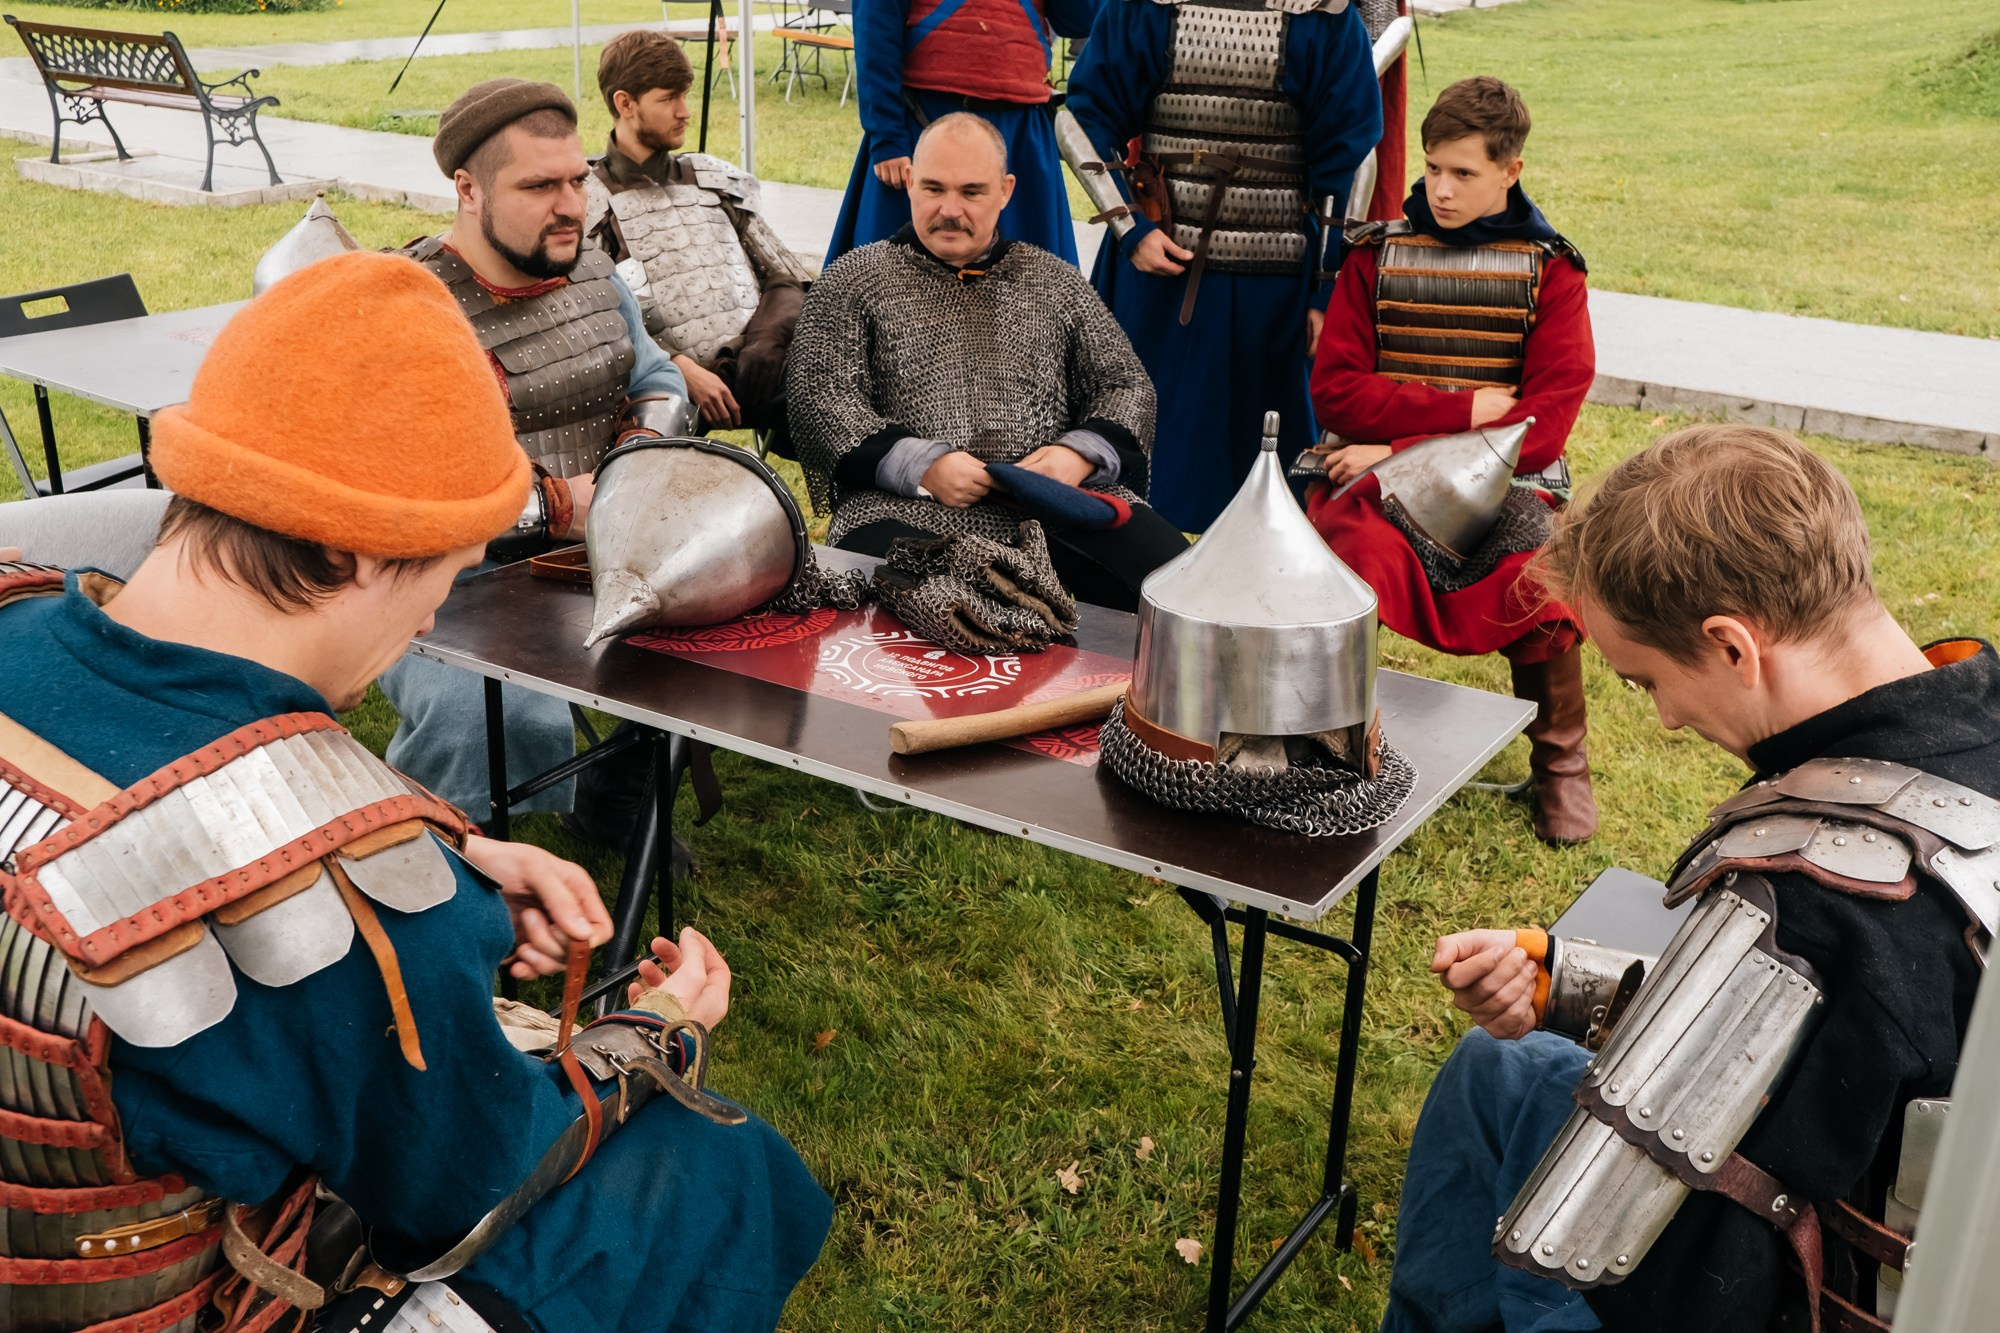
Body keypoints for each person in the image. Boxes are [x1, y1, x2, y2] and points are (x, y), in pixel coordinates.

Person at [0, 251, 828, 1333]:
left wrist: (457, 849)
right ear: (352, 547)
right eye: (438, 574)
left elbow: (160, 772)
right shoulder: (340, 901)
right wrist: (655, 1029)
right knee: (710, 1168)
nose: (431, 620)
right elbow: (465, 1191)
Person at [1383, 425, 1992, 1333]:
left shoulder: (1821, 892)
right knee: (1498, 1068)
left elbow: (1677, 1281)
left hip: (1807, 1288)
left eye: (1646, 681)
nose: (1666, 718)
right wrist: (1567, 982)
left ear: (1733, 645)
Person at [387, 77, 690, 839]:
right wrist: (558, 504)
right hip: (440, 577)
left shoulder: (590, 269)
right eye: (538, 185)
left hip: (594, 549)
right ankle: (450, 868)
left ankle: (619, 789)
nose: (570, 205)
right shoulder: (410, 305)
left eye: (577, 180)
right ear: (467, 189)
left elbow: (656, 380)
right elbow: (398, 487)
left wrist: (631, 463)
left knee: (738, 623)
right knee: (479, 713)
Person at [1305, 77, 1598, 843]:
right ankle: (1327, 750)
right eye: (1433, 167)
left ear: (1511, 170)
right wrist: (1462, 409)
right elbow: (1335, 393)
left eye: (1463, 173)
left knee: (1543, 583)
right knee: (1350, 564)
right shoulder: (1376, 258)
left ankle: (1561, 768)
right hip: (1368, 481)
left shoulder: (1552, 273)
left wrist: (1396, 443)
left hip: (1504, 487)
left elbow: (1540, 430)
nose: (1439, 188)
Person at [789, 113, 1188, 613]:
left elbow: (1125, 385)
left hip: (1050, 504)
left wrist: (1077, 455)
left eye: (971, 192)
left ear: (1005, 191)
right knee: (930, 611)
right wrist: (923, 465)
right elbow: (822, 398)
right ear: (909, 181)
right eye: (933, 188)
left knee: (1174, 586)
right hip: (902, 508)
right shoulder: (854, 281)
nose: (949, 210)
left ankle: (1122, 693)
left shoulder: (1053, 282)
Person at [1061, 0, 1382, 532]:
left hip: (1275, 286)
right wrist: (1129, 227)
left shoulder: (1321, 15)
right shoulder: (1146, 9)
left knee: (1275, 487)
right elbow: (1084, 118)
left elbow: (1350, 158)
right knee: (1133, 471)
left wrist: (1327, 292)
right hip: (1160, 272)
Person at [584, 29, 814, 434]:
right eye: (668, 98)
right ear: (625, 103)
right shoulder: (590, 198)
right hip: (659, 384)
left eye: (686, 96)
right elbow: (593, 316)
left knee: (848, 431)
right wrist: (676, 366)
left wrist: (765, 344)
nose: (684, 111)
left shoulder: (712, 179)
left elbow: (787, 276)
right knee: (644, 472)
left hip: (761, 369)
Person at [826, 0, 1096, 264]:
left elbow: (1078, 19)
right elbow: (876, 26)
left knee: (1030, 288)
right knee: (887, 279)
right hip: (923, 122)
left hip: (1018, 132)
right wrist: (887, 136)